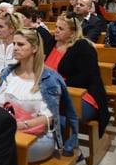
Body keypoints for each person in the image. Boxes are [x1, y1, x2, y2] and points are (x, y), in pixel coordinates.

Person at [0, 28, 79, 164]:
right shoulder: (8, 73)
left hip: (39, 136)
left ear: (34, 48)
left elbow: (49, 118)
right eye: (14, 44)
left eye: (21, 44)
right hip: (9, 131)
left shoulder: (49, 79)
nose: (15, 48)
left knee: (2, 148)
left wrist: (21, 125)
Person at [45, 14, 110, 148]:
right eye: (56, 27)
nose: (56, 31)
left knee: (57, 119)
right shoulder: (51, 42)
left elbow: (86, 77)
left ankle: (69, 150)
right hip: (52, 93)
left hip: (83, 95)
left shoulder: (82, 47)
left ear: (72, 33)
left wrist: (59, 87)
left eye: (61, 29)